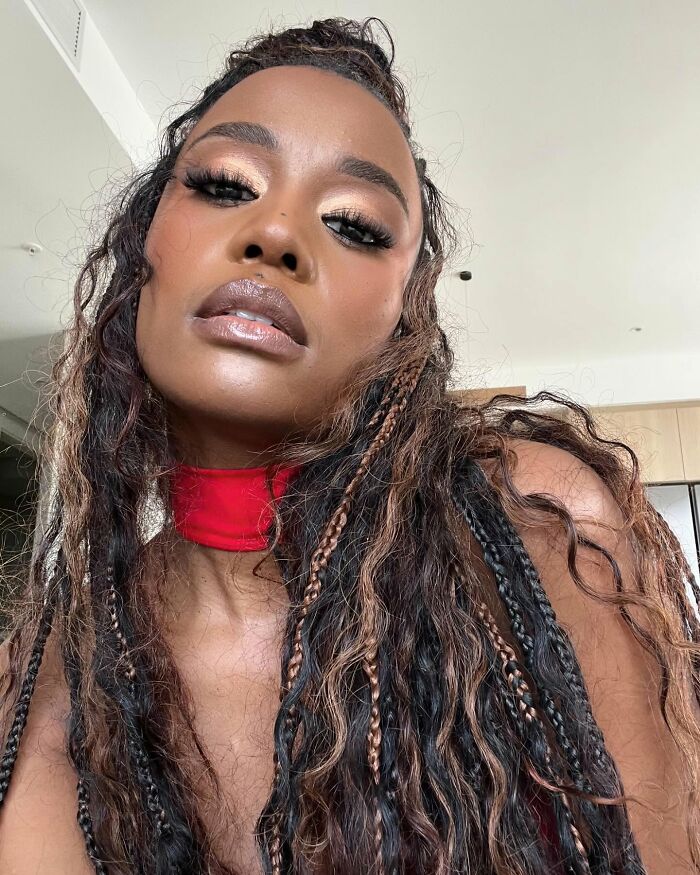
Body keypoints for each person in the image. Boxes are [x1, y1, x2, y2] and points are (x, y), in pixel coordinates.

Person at [0, 16, 697, 875]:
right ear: (146, 244)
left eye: (356, 225)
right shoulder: (43, 675)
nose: (275, 235)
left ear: (402, 324)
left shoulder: (541, 525)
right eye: (224, 183)